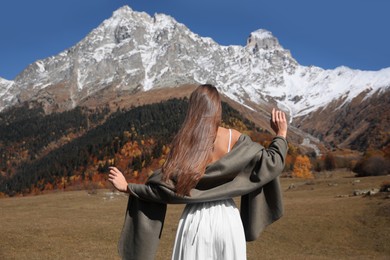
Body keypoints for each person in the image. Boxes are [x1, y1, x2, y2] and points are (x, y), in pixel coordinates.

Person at [108, 84, 288, 260]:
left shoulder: (185, 143)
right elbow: (271, 162)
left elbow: (164, 188)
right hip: (228, 221)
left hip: (194, 221)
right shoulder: (235, 138)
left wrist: (127, 187)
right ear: (218, 108)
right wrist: (280, 133)